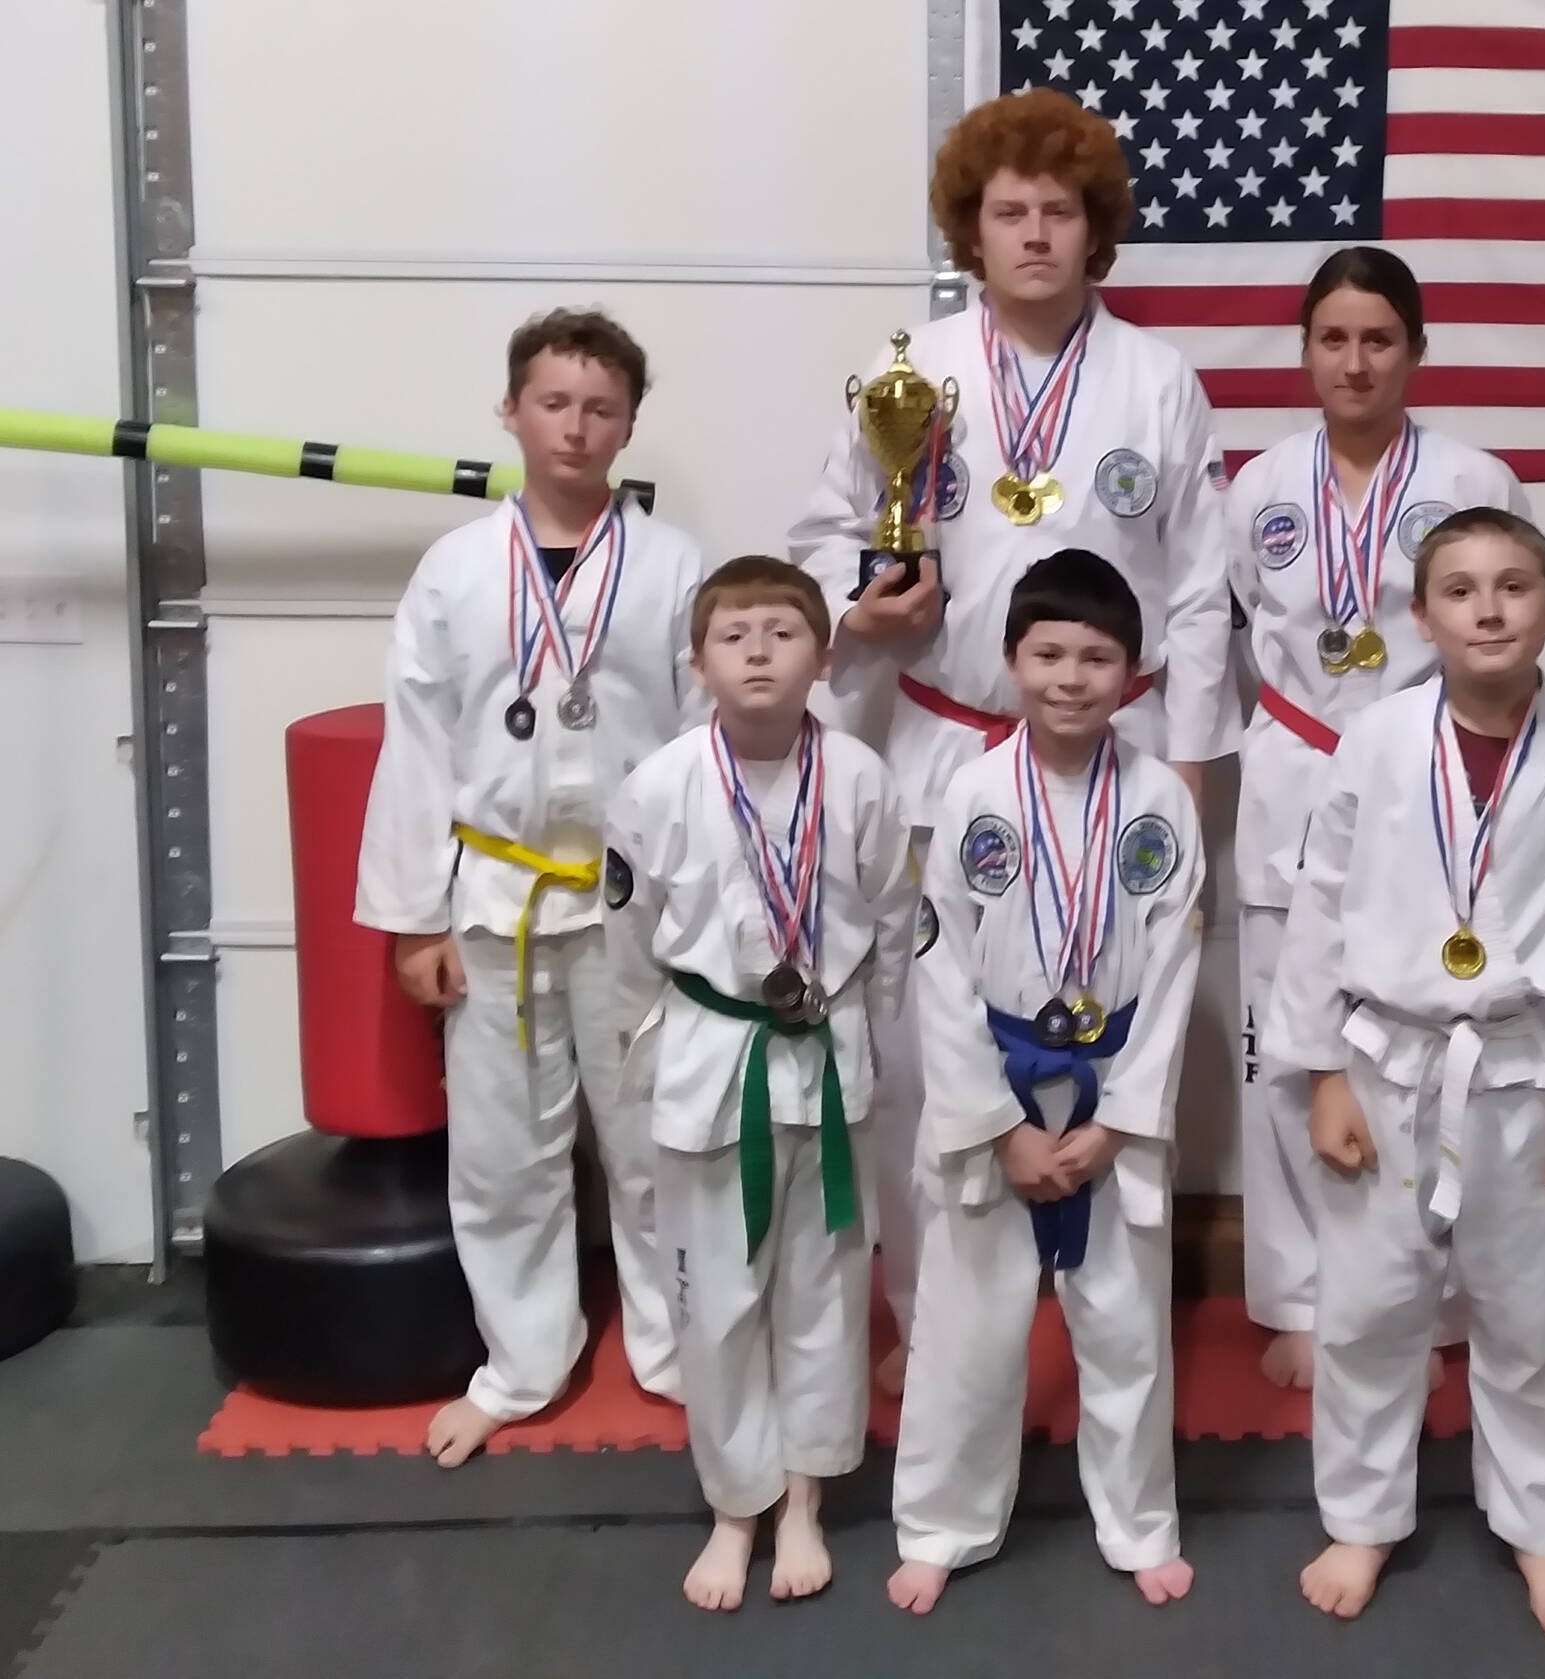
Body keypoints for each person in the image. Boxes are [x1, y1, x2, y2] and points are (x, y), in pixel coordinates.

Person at [789, 87, 1237, 1392]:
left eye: (1060, 211)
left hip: (1121, 756)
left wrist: (1197, 759)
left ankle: (1108, 1322)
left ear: (1095, 231)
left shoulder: (1159, 382)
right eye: (1009, 212)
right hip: (947, 744)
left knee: (1115, 1028)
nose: (1035, 233)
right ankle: (939, 1318)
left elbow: (1202, 586)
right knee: (938, 1045)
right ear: (970, 232)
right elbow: (825, 535)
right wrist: (858, 604)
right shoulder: (910, 377)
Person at [1264, 508, 1545, 1639]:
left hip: (1533, 1067)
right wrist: (1321, 1076)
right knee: (1366, 1307)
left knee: (1534, 1313)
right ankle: (1360, 1516)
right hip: (1387, 1057)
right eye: (1458, 588)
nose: (1486, 607)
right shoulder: (1377, 741)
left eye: (1511, 585)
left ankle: (1541, 1529)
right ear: (1420, 614)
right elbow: (1318, 905)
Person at [355, 308, 707, 1468]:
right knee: (503, 1152)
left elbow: (708, 742)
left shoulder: (670, 565)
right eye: (553, 402)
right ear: (509, 411)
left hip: (631, 900)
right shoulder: (454, 572)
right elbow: (415, 747)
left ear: (628, 424)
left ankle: (676, 1350)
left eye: (600, 406)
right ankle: (521, 1362)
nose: (575, 425)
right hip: (494, 896)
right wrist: (412, 920)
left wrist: (711, 903)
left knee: (657, 1143)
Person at [1227, 247, 1529, 1392]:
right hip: (1294, 769)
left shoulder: (1473, 478)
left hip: (1427, 775)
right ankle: (1300, 1296)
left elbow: (1503, 636)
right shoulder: (1257, 486)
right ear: (1304, 349)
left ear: (1413, 349)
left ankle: (1437, 1293)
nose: (1353, 362)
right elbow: (1233, 628)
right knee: (1286, 1048)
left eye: (1377, 339)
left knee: (1428, 1038)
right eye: (1331, 338)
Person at [887, 550, 1205, 1615]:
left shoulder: (1159, 800)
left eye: (1097, 656)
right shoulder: (971, 793)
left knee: (1122, 1325)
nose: (1071, 676)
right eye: (1049, 653)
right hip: (999, 1089)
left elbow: (1172, 973)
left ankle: (1138, 1520)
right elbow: (936, 966)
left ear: (1133, 670)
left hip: (1112, 1085)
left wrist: (1119, 1122)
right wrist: (996, 1125)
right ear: (1011, 659)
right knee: (966, 1326)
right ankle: (941, 1521)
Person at [604, 556, 917, 1610]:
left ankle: (800, 1501)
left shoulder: (865, 779)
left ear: (825, 657)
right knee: (717, 1304)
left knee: (824, 1297)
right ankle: (732, 1506)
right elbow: (629, 946)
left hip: (827, 1068)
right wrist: (661, 1057)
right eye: (733, 633)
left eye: (782, 632)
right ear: (697, 663)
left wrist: (866, 1051)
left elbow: (885, 933)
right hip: (712, 1066)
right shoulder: (657, 786)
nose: (756, 651)